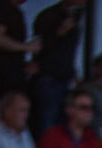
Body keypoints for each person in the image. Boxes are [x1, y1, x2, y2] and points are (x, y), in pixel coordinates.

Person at [30, 0, 84, 137]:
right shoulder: (47, 16)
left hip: (66, 82)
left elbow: (68, 52)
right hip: (48, 81)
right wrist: (60, 31)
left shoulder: (77, 18)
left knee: (62, 130)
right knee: (47, 128)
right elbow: (37, 48)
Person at [36, 83, 102, 148]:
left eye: (92, 108)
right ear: (69, 110)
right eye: (84, 108)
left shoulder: (91, 136)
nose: (89, 112)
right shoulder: (52, 135)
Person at [0, 0, 37, 107]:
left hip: (14, 75)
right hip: (1, 74)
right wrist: (26, 47)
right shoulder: (1, 7)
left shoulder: (16, 11)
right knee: (2, 111)